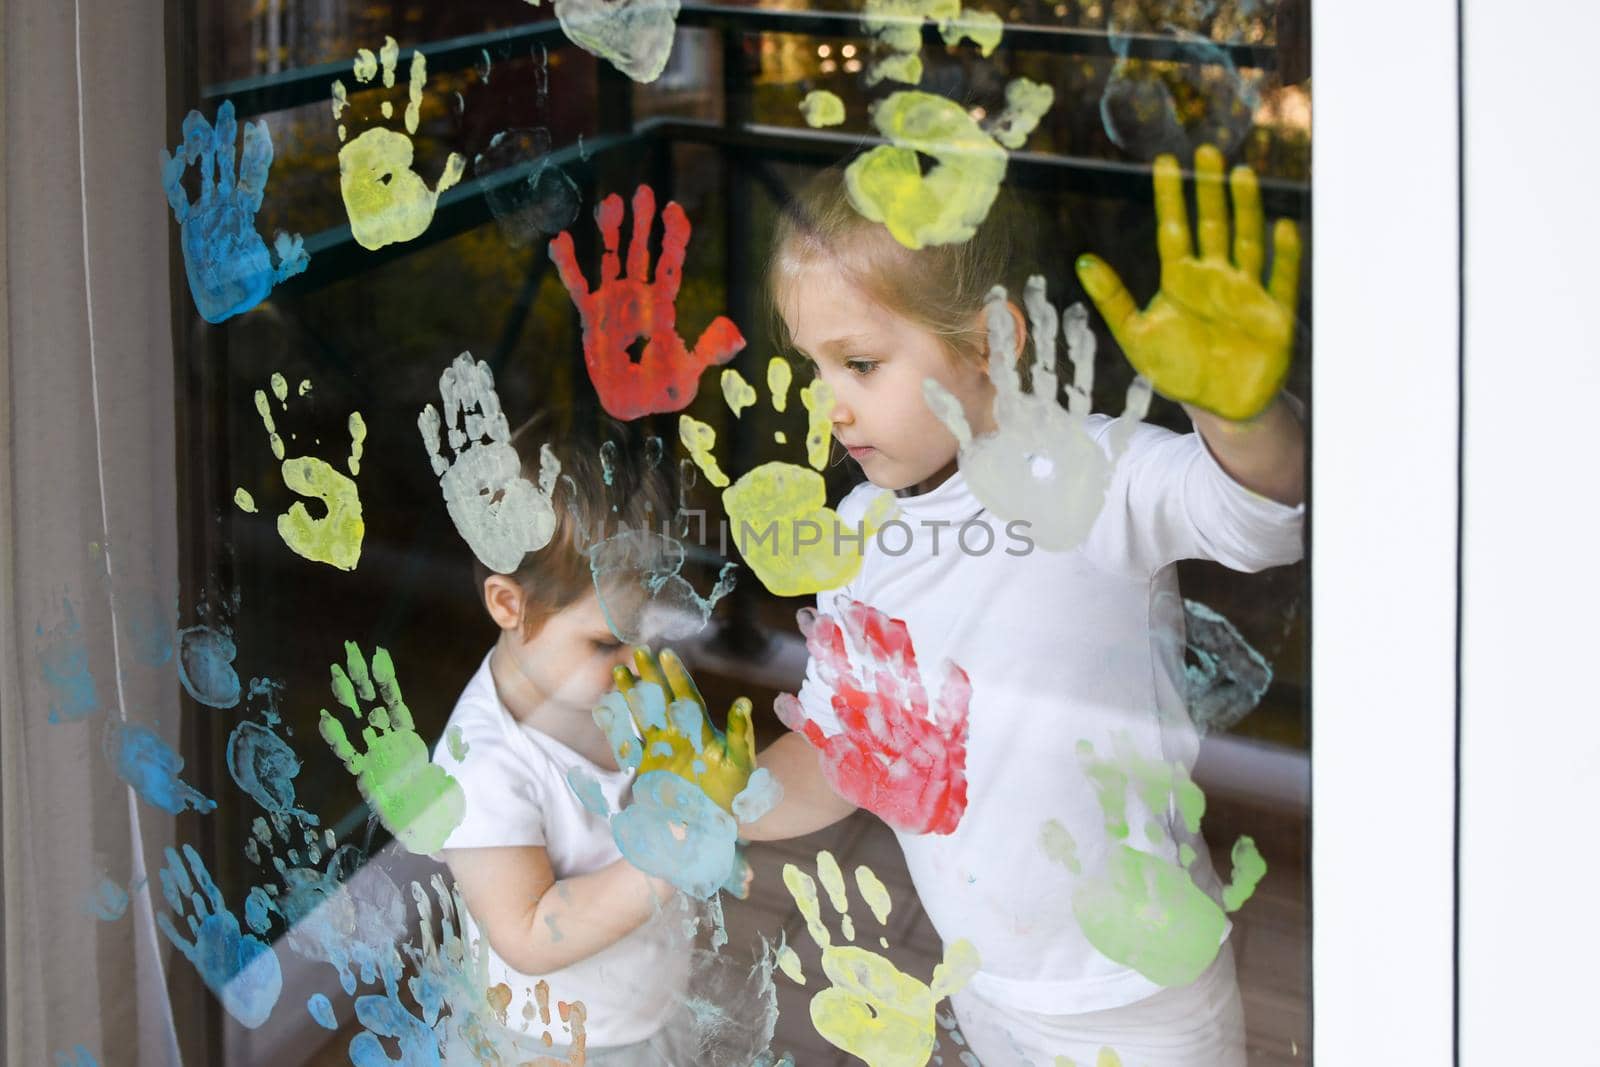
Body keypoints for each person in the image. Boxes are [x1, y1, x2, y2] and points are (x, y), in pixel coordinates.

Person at [733, 148, 1306, 1065]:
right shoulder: (857, 529)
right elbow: (850, 748)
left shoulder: (1095, 474)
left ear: (992, 340)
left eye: (862, 362)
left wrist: (1238, 418)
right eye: (815, 367)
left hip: (1139, 991)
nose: (830, 406)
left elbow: (1262, 517)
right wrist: (729, 800)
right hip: (984, 978)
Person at [429, 412, 702, 1064]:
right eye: (607, 639)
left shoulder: (614, 684)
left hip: (646, 1012)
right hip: (548, 1043)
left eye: (642, 627)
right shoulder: (482, 768)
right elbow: (525, 931)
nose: (633, 655)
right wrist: (670, 857)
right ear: (508, 604)